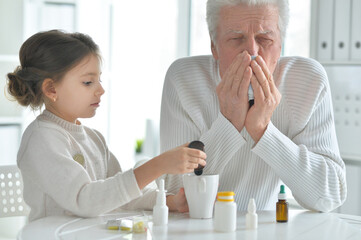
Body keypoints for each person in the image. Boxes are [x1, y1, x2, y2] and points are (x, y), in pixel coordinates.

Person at [161, 0, 347, 212]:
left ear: (280, 45)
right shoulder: (183, 80)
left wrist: (263, 131)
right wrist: (229, 124)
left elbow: (330, 197)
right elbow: (174, 195)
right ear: (214, 46)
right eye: (236, 38)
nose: (252, 52)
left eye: (265, 39)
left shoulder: (308, 80)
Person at [6, 30, 206, 221]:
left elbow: (120, 193)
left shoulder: (94, 138)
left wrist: (169, 201)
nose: (101, 90)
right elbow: (84, 201)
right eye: (87, 82)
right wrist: (158, 165)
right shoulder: (42, 139)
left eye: (99, 79)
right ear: (51, 89)